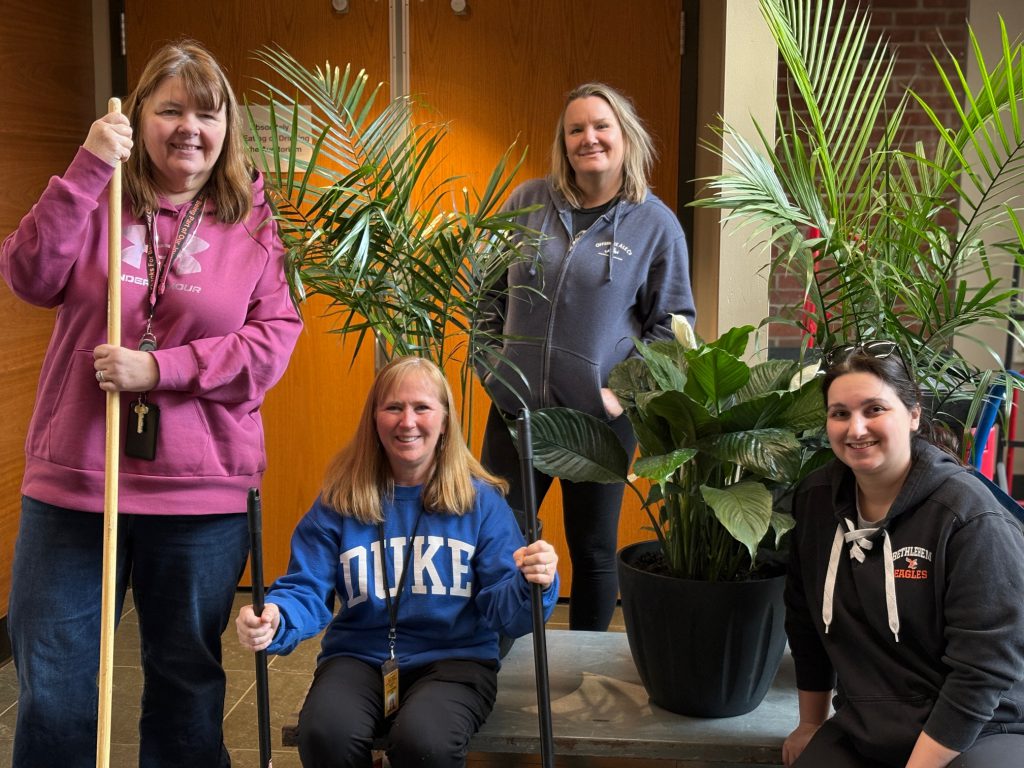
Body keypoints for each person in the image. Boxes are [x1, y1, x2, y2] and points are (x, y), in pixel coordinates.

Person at [0, 40, 302, 768]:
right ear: (138, 117)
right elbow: (29, 275)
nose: (189, 127)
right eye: (170, 110)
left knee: (184, 691)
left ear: (228, 124)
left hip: (201, 496)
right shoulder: (101, 194)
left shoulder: (252, 219)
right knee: (56, 690)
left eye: (207, 111)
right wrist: (86, 168)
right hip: (77, 482)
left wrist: (159, 370)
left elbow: (272, 344)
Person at [235, 355, 559, 768]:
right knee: (324, 734)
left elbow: (507, 614)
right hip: (359, 656)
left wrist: (535, 582)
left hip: (455, 660)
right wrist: (276, 617)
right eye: (393, 407)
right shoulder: (341, 500)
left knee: (426, 743)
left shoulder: (481, 503)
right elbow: (306, 587)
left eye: (422, 407)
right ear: (374, 419)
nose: (407, 421)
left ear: (444, 421)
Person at [475, 82, 696, 631]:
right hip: (516, 412)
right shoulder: (526, 202)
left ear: (625, 137)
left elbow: (673, 325)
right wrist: (494, 372)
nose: (588, 138)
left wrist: (623, 395)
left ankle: (587, 668)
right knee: (504, 536)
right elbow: (486, 297)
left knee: (593, 551)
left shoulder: (653, 224)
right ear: (563, 141)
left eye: (601, 127)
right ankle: (503, 655)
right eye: (576, 129)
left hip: (597, 420)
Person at [783, 341, 1024, 768]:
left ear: (913, 415)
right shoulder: (816, 500)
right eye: (840, 413)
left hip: (983, 727)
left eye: (874, 409)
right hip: (869, 722)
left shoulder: (969, 517)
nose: (856, 429)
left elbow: (983, 672)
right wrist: (809, 724)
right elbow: (804, 620)